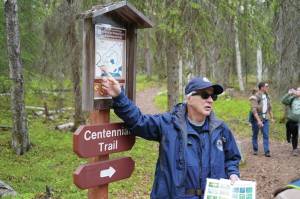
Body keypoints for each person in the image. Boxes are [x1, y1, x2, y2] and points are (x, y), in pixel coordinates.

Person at [101, 76, 241, 199]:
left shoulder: (221, 129)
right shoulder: (168, 124)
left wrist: (233, 173)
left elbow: (232, 158)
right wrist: (119, 96)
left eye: (213, 96)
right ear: (189, 98)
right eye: (205, 95)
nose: (210, 100)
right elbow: (139, 121)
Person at [250, 82, 274, 157]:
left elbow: (269, 108)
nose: (267, 88)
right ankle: (255, 149)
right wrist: (259, 121)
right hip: (256, 119)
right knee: (255, 134)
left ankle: (267, 151)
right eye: (266, 87)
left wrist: (272, 118)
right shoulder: (255, 97)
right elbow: (254, 110)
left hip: (265, 118)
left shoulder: (268, 96)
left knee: (266, 135)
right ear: (262, 88)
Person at [281, 87, 300, 156]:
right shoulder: (292, 98)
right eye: (298, 90)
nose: (298, 92)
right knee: (294, 135)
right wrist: (288, 94)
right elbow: (283, 101)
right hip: (293, 120)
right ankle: (295, 149)